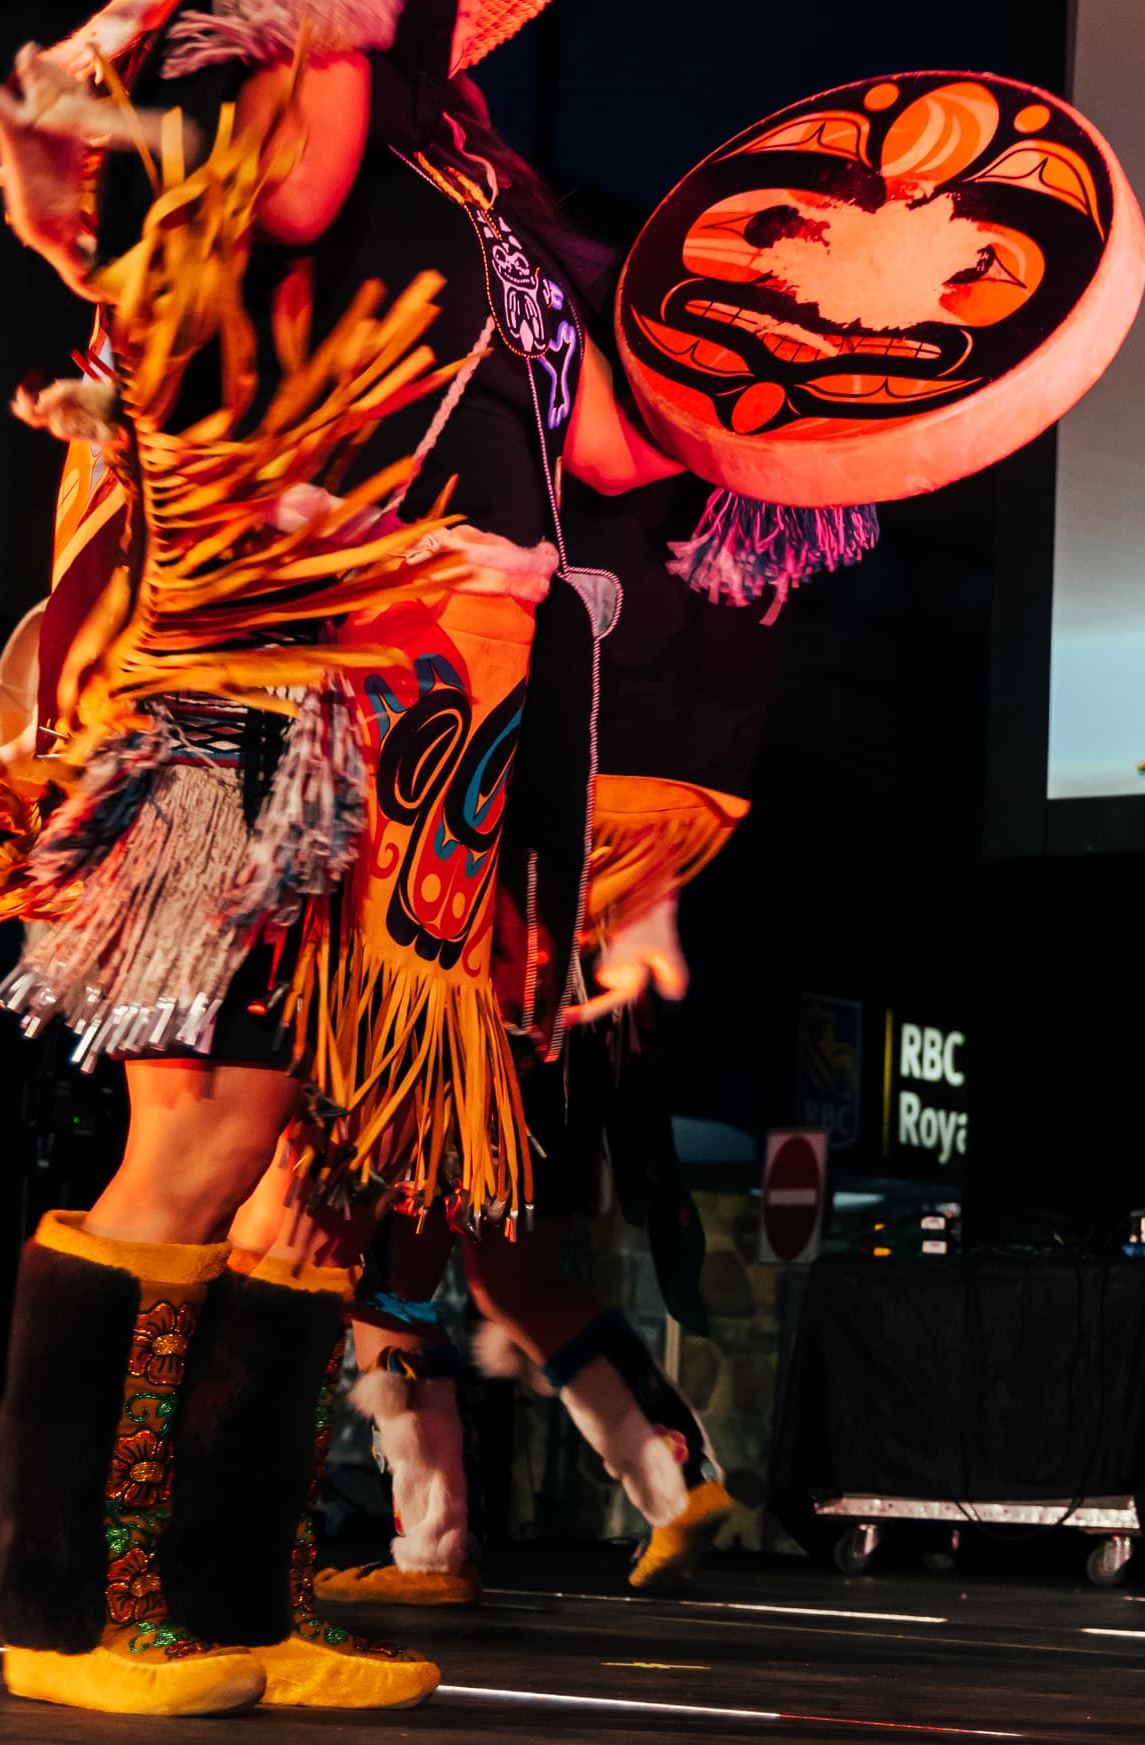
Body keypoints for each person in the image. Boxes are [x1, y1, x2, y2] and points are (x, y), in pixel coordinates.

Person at [0, 0, 681, 1717]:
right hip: (250, 697)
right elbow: (140, 95)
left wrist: (809, 362)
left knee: (327, 1166)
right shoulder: (252, 151)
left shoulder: (474, 203)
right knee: (205, 1126)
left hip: (438, 726)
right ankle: (63, 1606)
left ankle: (237, 1595)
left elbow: (595, 453)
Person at [323, 467, 804, 1610]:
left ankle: (428, 1549)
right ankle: (675, 1472)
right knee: (513, 1274)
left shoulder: (550, 555)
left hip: (488, 990)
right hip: (566, 1004)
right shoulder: (668, 603)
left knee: (389, 1279)